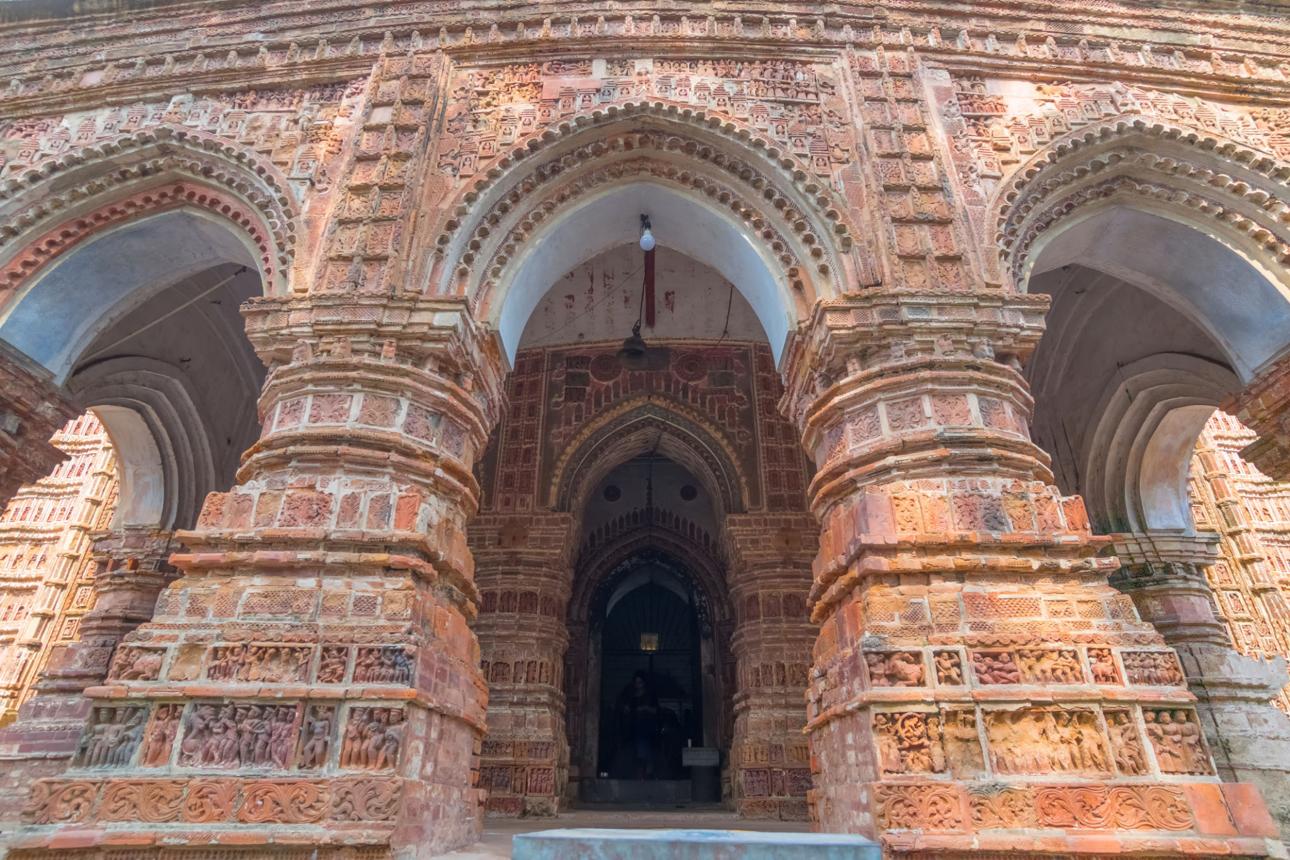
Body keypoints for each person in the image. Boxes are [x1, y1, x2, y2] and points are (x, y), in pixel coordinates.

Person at [618, 671, 660, 778]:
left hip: (646, 726)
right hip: (633, 726)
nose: (638, 685)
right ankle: (642, 772)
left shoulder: (650, 695)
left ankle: (647, 771)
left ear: (644, 683)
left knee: (644, 748)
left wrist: (645, 708)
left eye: (640, 682)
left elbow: (656, 710)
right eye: (636, 683)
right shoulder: (631, 695)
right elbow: (625, 708)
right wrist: (626, 709)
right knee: (636, 750)